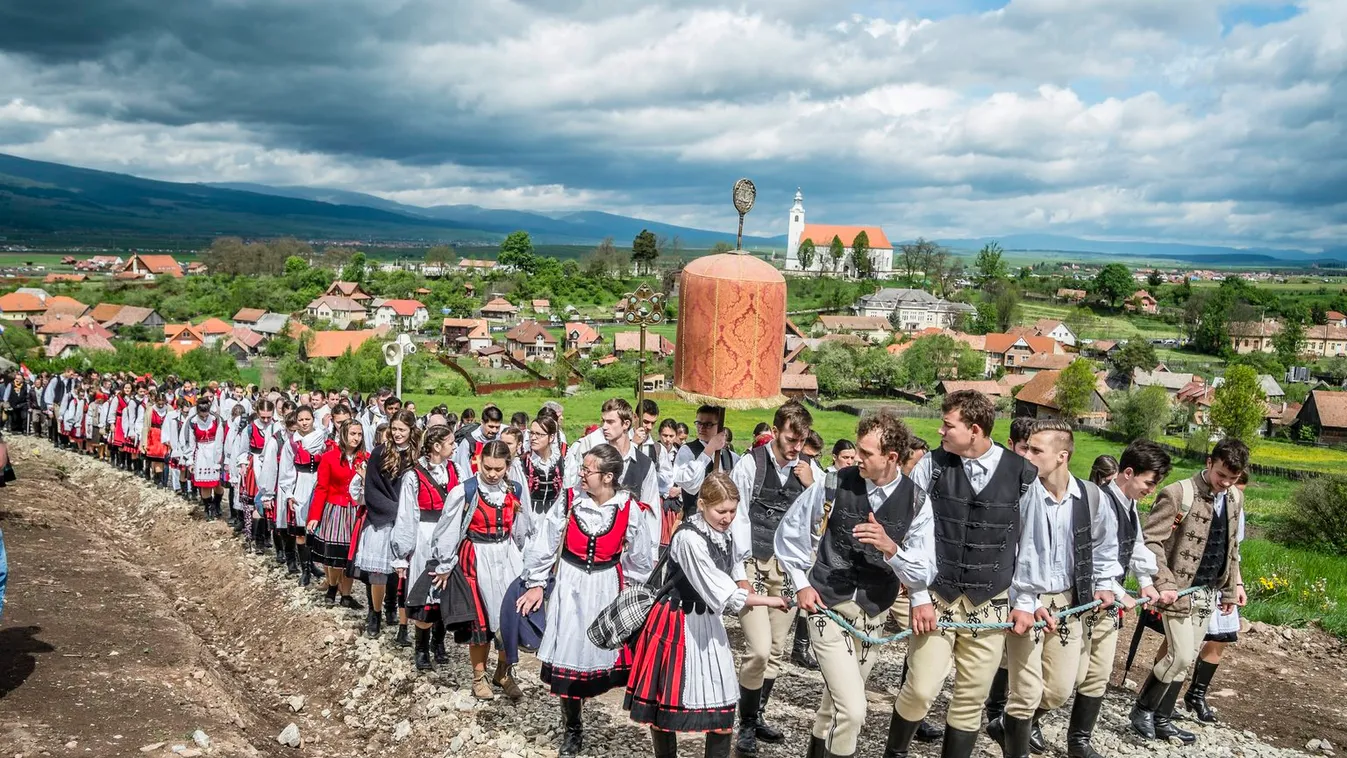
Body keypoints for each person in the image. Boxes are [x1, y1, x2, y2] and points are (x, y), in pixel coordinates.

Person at [776, 410, 934, 758]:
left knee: (834, 707)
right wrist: (801, 583)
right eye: (857, 451)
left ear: (891, 458)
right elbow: (789, 533)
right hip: (827, 606)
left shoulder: (918, 501)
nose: (857, 458)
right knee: (854, 709)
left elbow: (924, 570)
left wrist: (891, 548)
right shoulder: (833, 482)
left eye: (866, 454)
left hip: (873, 615)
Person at [889, 390, 1037, 758]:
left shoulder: (1022, 475)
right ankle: (895, 753)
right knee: (921, 686)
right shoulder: (931, 467)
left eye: (947, 425)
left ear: (974, 429)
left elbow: (1030, 544)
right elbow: (912, 533)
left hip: (992, 600)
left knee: (971, 696)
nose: (940, 431)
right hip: (937, 595)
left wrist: (1025, 601)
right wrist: (919, 594)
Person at [625, 473, 789, 758]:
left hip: (707, 622)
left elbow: (735, 564)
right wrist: (771, 600)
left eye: (732, 511)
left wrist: (744, 582)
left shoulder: (723, 531)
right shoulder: (689, 538)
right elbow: (718, 589)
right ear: (701, 504)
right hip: (677, 623)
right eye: (721, 511)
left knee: (722, 708)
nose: (727, 517)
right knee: (667, 706)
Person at [517, 443, 655, 757]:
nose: (581, 474)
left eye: (587, 470)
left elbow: (641, 559)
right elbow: (545, 542)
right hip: (571, 582)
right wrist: (536, 583)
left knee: (602, 651)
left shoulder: (628, 509)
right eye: (582, 468)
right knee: (569, 651)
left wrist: (633, 595)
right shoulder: (569, 501)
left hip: (607, 583)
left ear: (607, 478)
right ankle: (573, 727)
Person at [987, 421, 1116, 758]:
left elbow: (1104, 545)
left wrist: (1103, 584)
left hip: (1069, 602)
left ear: (1062, 456)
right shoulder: (1021, 493)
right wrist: (1023, 601)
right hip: (1024, 601)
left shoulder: (1090, 496)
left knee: (1060, 689)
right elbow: (1007, 551)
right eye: (1026, 448)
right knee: (1026, 693)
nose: (1026, 455)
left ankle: (1005, 725)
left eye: (1035, 451)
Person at [1129, 438, 1248, 746]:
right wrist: (1165, 583)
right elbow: (1150, 541)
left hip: (1209, 590)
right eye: (1221, 475)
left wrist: (1231, 589)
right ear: (1210, 462)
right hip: (1178, 590)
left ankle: (1164, 719)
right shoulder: (1178, 493)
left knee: (1189, 655)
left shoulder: (1235, 497)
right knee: (1180, 655)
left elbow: (1231, 547)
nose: (1225, 483)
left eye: (1232, 479)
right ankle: (1142, 709)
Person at [728, 401, 823, 756]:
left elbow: (819, 523)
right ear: (775, 429)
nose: (796, 446)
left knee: (778, 651)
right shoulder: (750, 464)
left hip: (788, 568)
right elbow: (734, 520)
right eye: (790, 438)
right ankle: (746, 723)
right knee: (759, 649)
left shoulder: (811, 470)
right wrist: (738, 574)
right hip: (752, 561)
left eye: (801, 440)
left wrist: (813, 486)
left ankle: (757, 716)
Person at [1072, 439, 1171, 758]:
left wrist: (1146, 582)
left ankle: (1079, 742)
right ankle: (1014, 723)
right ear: (1128, 473)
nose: (1151, 490)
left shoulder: (1129, 505)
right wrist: (1116, 591)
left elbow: (1134, 546)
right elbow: (1091, 557)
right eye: (1149, 482)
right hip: (1083, 602)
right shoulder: (1099, 503)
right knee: (1069, 676)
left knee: (1099, 674)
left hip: (1108, 605)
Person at [430, 439, 528, 700]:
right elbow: (448, 529)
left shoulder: (515, 489)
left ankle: (504, 672)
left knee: (509, 619)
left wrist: (525, 560)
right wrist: (445, 564)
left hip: (507, 557)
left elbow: (521, 529)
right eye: (488, 468)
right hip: (476, 557)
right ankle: (478, 676)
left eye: (499, 469)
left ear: (508, 466)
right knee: (480, 621)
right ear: (479, 462)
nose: (493, 474)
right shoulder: (465, 491)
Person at [1182, 469, 1249, 724]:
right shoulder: (1194, 495)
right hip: (1193, 577)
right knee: (1180, 642)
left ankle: (1197, 695)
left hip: (1221, 578)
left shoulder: (1235, 504)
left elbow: (1234, 550)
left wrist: (1237, 584)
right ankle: (1159, 699)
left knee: (1219, 637)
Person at [392, 424, 460, 671]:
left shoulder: (455, 470)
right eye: (450, 443)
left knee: (445, 590)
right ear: (436, 446)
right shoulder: (413, 475)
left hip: (449, 534)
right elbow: (407, 514)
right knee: (426, 591)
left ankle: (438, 642)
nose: (454, 447)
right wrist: (402, 553)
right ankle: (421, 649)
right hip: (424, 535)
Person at [350, 409, 421, 641]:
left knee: (401, 576)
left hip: (409, 520)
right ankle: (375, 613)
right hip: (383, 518)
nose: (398, 433)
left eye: (403, 429)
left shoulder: (417, 456)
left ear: (412, 430)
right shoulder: (380, 453)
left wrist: (408, 515)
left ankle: (398, 614)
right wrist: (394, 511)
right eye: (395, 429)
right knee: (378, 573)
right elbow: (372, 488)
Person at [308, 419, 369, 608]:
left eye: (359, 434)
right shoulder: (329, 457)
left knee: (350, 557)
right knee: (334, 556)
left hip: (356, 511)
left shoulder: (365, 458)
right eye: (353, 434)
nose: (356, 438)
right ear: (343, 434)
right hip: (335, 509)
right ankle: (333, 585)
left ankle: (347, 595)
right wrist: (314, 516)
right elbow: (321, 488)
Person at [277, 406, 333, 586]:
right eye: (300, 420)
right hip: (300, 482)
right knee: (301, 530)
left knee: (317, 528)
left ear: (312, 419)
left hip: (319, 481)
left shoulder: (321, 438)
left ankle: (315, 564)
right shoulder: (291, 442)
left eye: (307, 419)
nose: (304, 423)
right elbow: (286, 469)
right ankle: (305, 569)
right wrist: (289, 493)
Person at [671, 405, 735, 520]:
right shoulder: (687, 450)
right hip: (695, 519)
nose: (701, 428)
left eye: (708, 424)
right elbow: (690, 484)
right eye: (699, 423)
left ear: (720, 426)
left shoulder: (729, 457)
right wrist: (708, 451)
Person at [517, 415, 568, 544]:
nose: (533, 438)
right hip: (528, 519)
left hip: (554, 520)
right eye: (532, 433)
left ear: (551, 437)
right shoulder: (521, 462)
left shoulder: (563, 461)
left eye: (539, 434)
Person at [184, 398, 228, 520]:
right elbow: (191, 443)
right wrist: (190, 461)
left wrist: (220, 458)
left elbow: (220, 439)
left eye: (206, 414)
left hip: (215, 451)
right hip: (201, 453)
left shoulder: (216, 420)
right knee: (205, 485)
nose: (204, 417)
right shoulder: (192, 422)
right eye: (201, 415)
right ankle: (208, 507)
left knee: (218, 483)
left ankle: (217, 504)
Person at [455, 405, 503, 479]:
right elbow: (462, 470)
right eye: (491, 426)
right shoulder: (469, 442)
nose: (494, 431)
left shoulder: (500, 439)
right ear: (482, 422)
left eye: (497, 427)